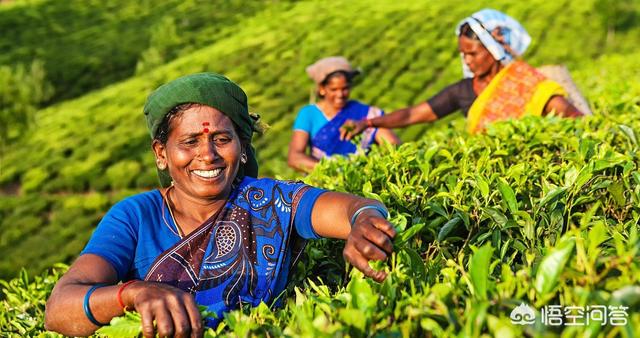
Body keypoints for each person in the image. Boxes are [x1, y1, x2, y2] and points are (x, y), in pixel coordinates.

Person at [44, 73, 396, 337]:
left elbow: (353, 208)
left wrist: (364, 222)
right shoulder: (135, 216)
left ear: (243, 148)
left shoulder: (271, 201)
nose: (207, 155)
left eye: (222, 139)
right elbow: (60, 308)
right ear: (161, 154)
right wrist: (132, 294)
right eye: (190, 141)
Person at [340, 9, 583, 140]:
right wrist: (368, 123)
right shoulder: (463, 90)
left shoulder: (524, 82)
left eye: (473, 53)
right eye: (463, 54)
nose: (467, 60)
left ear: (493, 49)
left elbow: (569, 113)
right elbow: (414, 113)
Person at [288, 56, 400, 173]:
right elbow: (294, 158)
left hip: (360, 179)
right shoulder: (308, 114)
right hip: (323, 183)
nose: (340, 94)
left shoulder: (367, 114)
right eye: (334, 89)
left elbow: (393, 146)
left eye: (345, 88)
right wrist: (335, 171)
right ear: (322, 89)